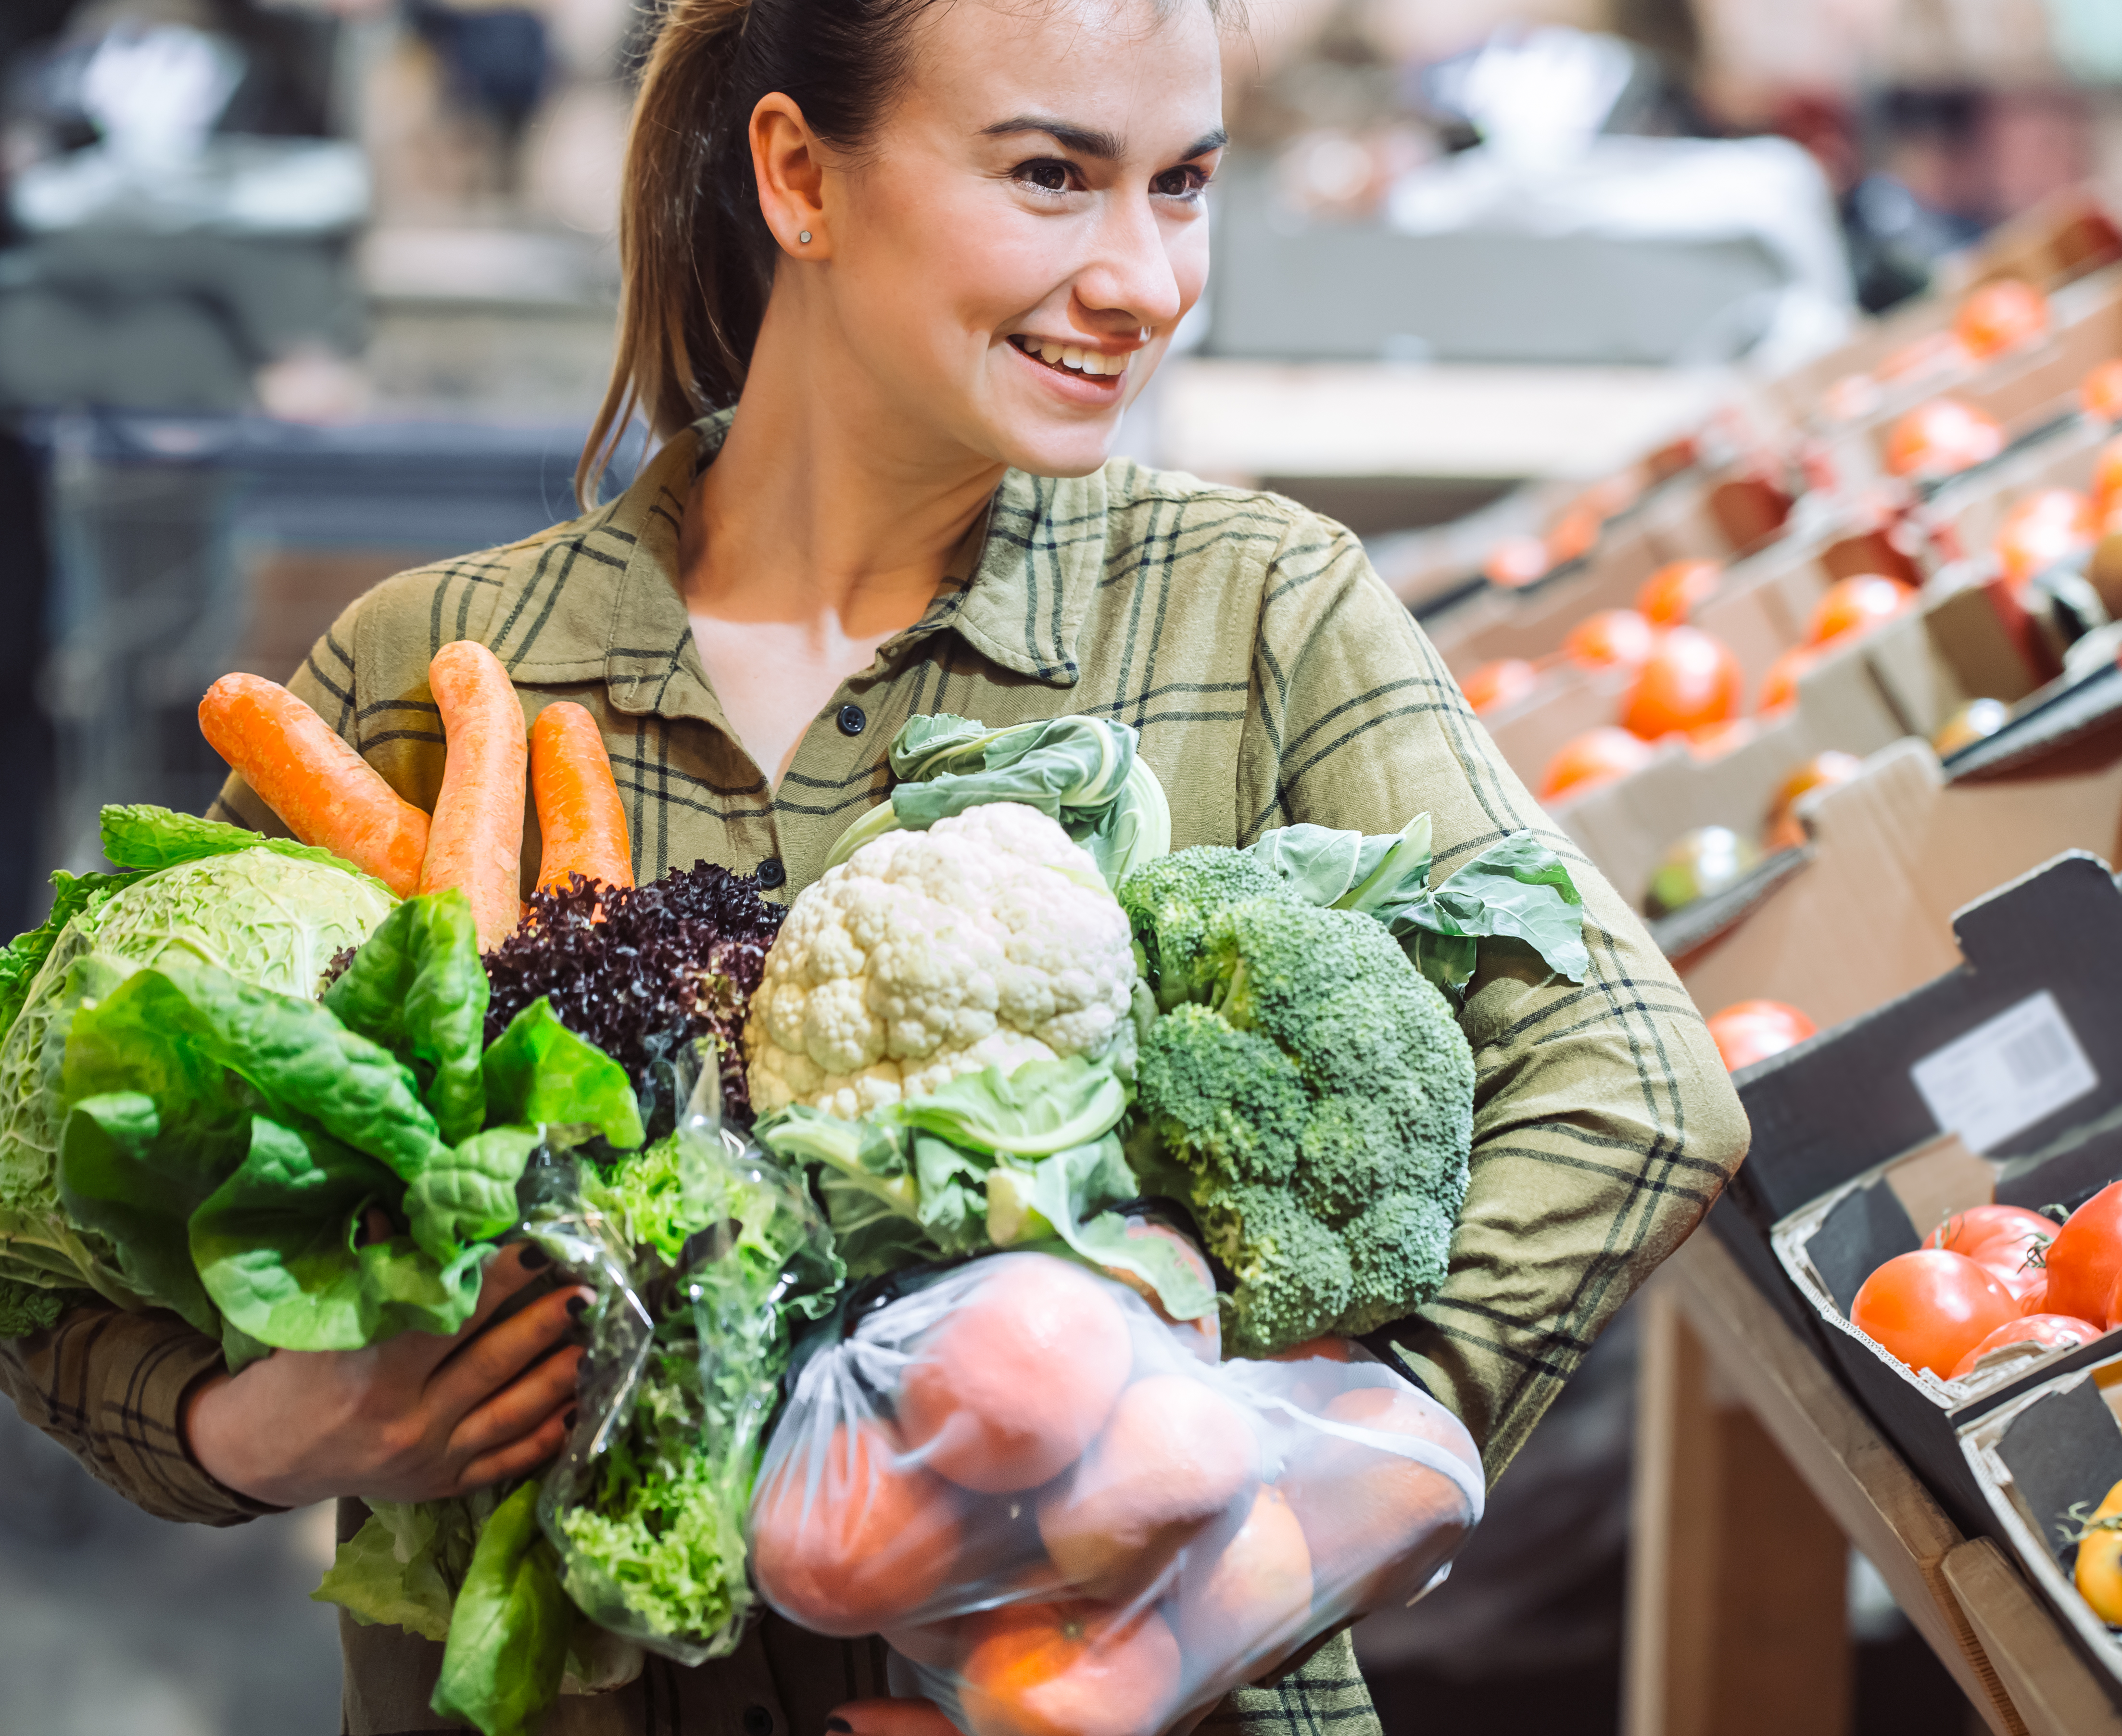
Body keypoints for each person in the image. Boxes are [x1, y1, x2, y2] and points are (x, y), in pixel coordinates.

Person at [0, 0, 1749, 1729]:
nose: (1146, 276)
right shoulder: (431, 664)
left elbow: (1638, 1086)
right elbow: (49, 1236)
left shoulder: (1254, 606)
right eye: (1055, 176)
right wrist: (251, 1431)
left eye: (1186, 183)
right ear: (797, 175)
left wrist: (1284, 1520)